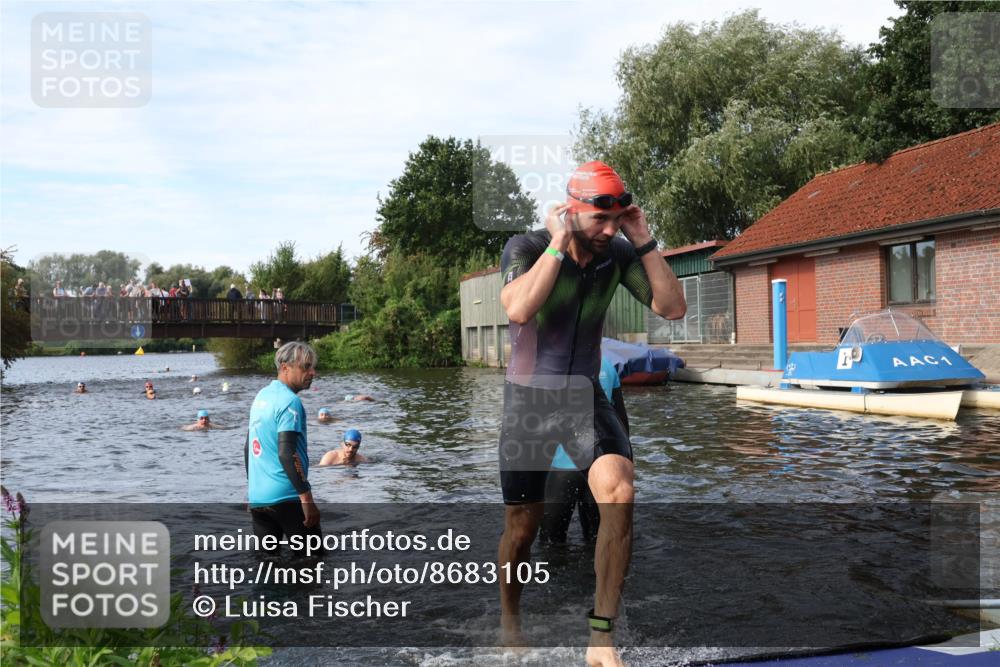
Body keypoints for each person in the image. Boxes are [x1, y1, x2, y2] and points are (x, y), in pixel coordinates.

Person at [496, 161, 685, 666]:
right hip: (529, 401)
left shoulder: (618, 253)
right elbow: (517, 308)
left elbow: (672, 307)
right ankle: (510, 620)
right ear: (572, 210)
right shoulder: (528, 246)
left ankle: (601, 637)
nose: (609, 231)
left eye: (618, 219)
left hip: (582, 395)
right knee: (522, 529)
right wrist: (559, 243)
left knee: (619, 491)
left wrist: (642, 238)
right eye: (600, 220)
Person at [539, 357, 629, 545]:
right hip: (600, 467)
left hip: (562, 469)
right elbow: (621, 423)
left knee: (550, 541)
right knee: (597, 540)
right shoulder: (607, 367)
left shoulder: (550, 366)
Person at [245, 341, 321, 556]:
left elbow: (248, 447)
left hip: (259, 499)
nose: (312, 372)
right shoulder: (290, 402)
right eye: (306, 367)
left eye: (312, 367)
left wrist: (252, 489)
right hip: (288, 497)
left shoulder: (261, 397)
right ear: (285, 368)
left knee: (267, 565)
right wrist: (306, 499)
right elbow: (287, 453)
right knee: (312, 563)